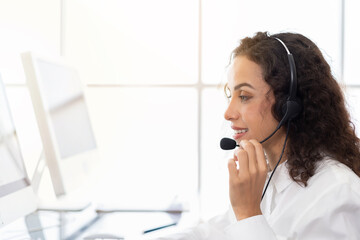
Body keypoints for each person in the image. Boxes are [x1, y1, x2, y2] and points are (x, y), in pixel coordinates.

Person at [153, 32, 360, 240]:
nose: (228, 113)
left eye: (244, 96)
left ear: (289, 105)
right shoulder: (273, 181)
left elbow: (243, 222)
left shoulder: (338, 194)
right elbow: (213, 232)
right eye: (230, 95)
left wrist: (248, 213)